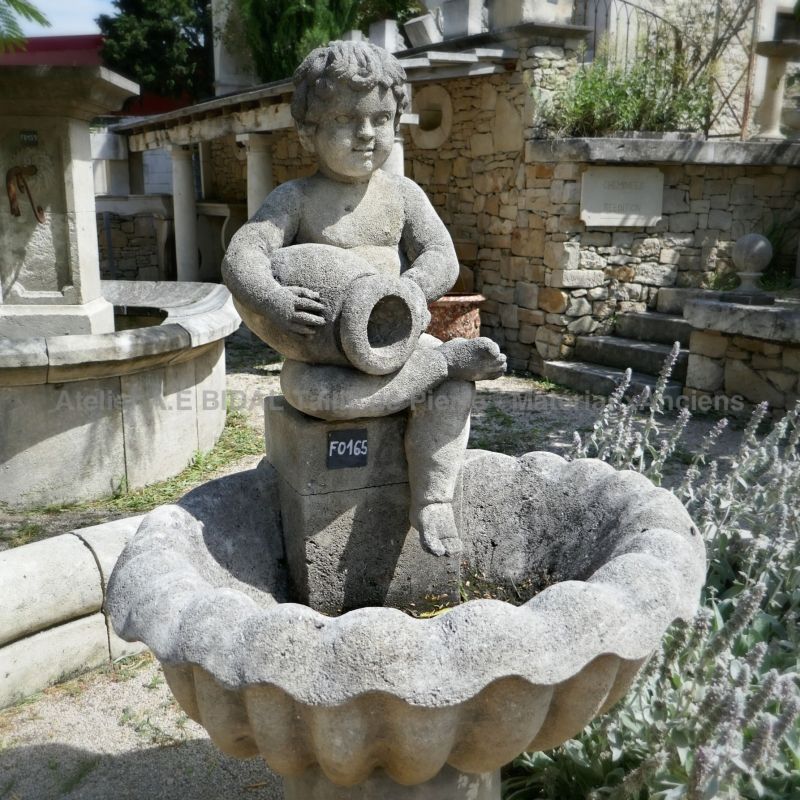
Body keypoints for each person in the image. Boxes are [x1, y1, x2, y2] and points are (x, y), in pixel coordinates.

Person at [223, 40, 506, 557]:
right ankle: (443, 363)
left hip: (396, 346)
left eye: (381, 118)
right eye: (347, 120)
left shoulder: (401, 195)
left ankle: (434, 500)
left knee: (451, 397)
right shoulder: (297, 198)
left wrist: (413, 289)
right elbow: (244, 254)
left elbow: (441, 255)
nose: (366, 134)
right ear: (309, 131)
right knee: (309, 395)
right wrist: (273, 299)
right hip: (328, 359)